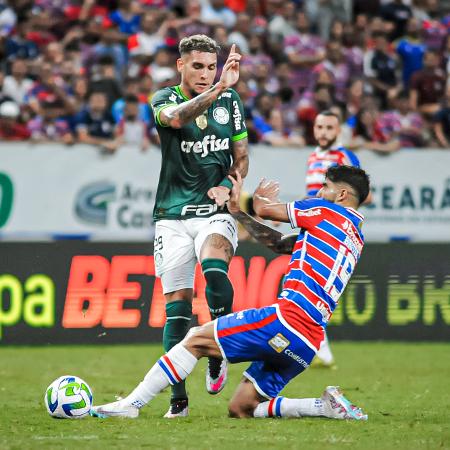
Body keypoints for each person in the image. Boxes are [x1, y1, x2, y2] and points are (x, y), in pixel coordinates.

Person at [90, 165, 370, 421]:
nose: (320, 192)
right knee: (241, 408)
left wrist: (255, 198)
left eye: (325, 187)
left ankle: (132, 404)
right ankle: (323, 407)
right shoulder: (354, 236)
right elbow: (280, 243)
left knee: (195, 339)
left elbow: (266, 210)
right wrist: (236, 212)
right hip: (308, 341)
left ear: (342, 193)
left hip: (287, 320)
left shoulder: (326, 211)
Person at [147, 35, 249, 418]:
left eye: (212, 67)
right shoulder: (163, 99)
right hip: (171, 215)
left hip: (213, 210)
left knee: (213, 268)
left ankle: (218, 350)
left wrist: (227, 185)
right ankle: (179, 399)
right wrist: (222, 86)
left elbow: (241, 157)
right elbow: (175, 120)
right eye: (198, 66)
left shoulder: (231, 103)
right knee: (177, 310)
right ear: (180, 66)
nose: (206, 74)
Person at [303, 110, 361, 367]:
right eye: (319, 127)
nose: (323, 132)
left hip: (332, 230)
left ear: (338, 131)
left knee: (316, 287)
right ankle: (320, 348)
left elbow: (361, 195)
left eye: (329, 127)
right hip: (313, 227)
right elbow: (314, 195)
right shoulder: (313, 157)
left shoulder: (344, 157)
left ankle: (320, 348)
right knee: (307, 285)